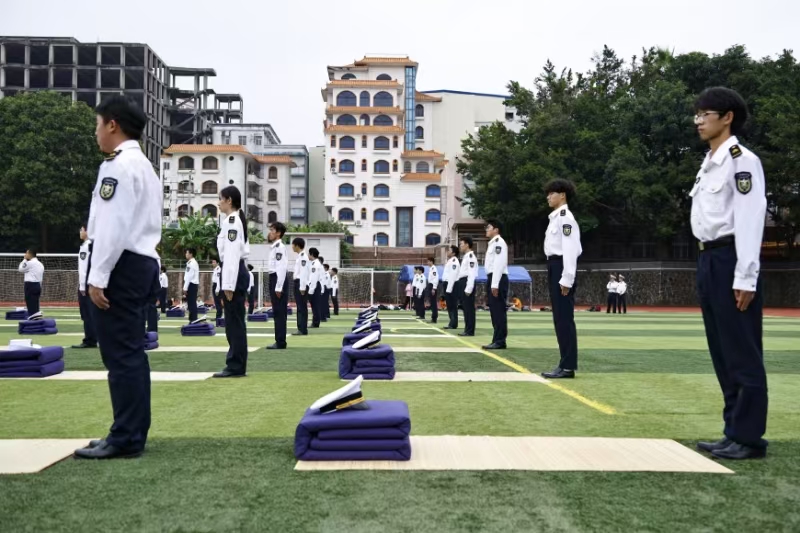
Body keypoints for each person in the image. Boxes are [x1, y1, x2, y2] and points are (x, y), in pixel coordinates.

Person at [73, 95, 161, 460]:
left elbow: (112, 226)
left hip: (122, 265)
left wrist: (98, 276)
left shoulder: (118, 166)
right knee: (130, 352)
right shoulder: (145, 166)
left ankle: (125, 436)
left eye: (98, 124)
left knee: (120, 354)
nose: (96, 132)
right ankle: (130, 431)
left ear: (113, 124)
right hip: (141, 263)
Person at [691, 87, 768, 460]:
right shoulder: (709, 163)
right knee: (722, 351)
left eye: (705, 114)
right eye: (697, 115)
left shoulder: (742, 161)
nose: (698, 121)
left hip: (731, 257)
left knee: (742, 350)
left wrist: (746, 276)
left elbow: (750, 218)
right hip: (708, 258)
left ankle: (749, 437)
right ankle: (733, 430)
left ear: (727, 117)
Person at [541, 179, 582, 379]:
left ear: (562, 195)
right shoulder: (555, 218)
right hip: (554, 266)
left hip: (561, 267)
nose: (548, 197)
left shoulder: (565, 218)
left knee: (564, 318)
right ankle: (564, 363)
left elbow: (571, 249)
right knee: (559, 318)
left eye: (552, 193)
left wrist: (567, 279)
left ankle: (568, 366)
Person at [213, 185, 251, 378]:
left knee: (234, 322)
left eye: (220, 198)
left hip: (233, 273)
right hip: (234, 272)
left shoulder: (232, 221)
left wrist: (228, 284)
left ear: (229, 200)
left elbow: (232, 254)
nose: (218, 203)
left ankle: (235, 365)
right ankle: (237, 364)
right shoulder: (234, 220)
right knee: (234, 322)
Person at [483, 219, 509, 349]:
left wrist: (494, 284)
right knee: (494, 310)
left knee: (498, 311)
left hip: (497, 278)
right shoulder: (492, 243)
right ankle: (496, 339)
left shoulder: (499, 242)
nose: (486, 229)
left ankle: (500, 341)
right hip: (493, 278)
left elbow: (499, 264)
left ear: (496, 230)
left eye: (489, 227)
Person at [72, 224, 98, 348]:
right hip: (93, 282)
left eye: (82, 230)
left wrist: (82, 286)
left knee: (87, 313)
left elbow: (83, 268)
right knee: (91, 313)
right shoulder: (93, 245)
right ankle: (94, 337)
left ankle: (90, 339)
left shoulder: (86, 246)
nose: (80, 232)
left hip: (86, 284)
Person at [266, 221, 288, 350]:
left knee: (279, 312)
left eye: (272, 230)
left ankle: (280, 341)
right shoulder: (274, 247)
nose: (270, 233)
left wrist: (279, 287)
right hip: (274, 278)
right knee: (277, 311)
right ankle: (279, 340)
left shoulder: (279, 247)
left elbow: (281, 267)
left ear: (278, 233)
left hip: (277, 279)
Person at [457, 237, 478, 337]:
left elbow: (471, 273)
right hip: (463, 282)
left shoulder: (470, 257)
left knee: (469, 308)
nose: (460, 246)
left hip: (467, 282)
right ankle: (467, 329)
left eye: (461, 244)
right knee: (465, 307)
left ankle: (470, 330)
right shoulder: (466, 256)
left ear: (467, 245)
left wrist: (469, 288)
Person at [18, 249, 45, 319]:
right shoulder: (40, 264)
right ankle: (37, 317)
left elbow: (20, 269)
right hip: (38, 285)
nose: (25, 255)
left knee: (30, 303)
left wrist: (24, 260)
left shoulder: (30, 263)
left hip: (30, 285)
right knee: (35, 303)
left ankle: (32, 319)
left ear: (30, 254)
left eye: (26, 253)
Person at [292, 237, 310, 335]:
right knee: (299, 307)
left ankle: (303, 329)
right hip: (298, 282)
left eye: (293, 245)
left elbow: (303, 273)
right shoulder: (300, 256)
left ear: (297, 246)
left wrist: (302, 287)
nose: (292, 247)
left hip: (301, 283)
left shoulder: (303, 257)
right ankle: (300, 328)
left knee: (302, 307)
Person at [443, 246, 460, 330]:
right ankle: (452, 322)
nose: (447, 251)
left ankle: (453, 323)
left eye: (449, 250)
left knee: (452, 305)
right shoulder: (450, 261)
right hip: (448, 284)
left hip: (451, 285)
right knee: (449, 305)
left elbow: (453, 276)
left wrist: (449, 289)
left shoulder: (454, 262)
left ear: (453, 253)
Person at [307, 248, 322, 328]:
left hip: (315, 286)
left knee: (315, 305)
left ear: (312, 254)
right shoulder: (313, 263)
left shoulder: (315, 264)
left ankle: (316, 322)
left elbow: (314, 278)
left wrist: (311, 290)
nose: (308, 255)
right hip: (314, 285)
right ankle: (315, 321)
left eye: (309, 254)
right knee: (314, 305)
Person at [183, 248, 199, 322]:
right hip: (192, 284)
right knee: (191, 303)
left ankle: (193, 319)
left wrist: (185, 288)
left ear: (191, 254)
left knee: (191, 304)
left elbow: (189, 276)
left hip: (191, 284)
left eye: (187, 253)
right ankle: (192, 319)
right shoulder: (192, 262)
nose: (186, 254)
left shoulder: (191, 263)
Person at [426, 257, 439, 324]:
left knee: (433, 303)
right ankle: (433, 317)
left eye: (428, 261)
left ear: (431, 261)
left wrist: (434, 288)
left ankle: (434, 318)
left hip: (432, 286)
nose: (427, 263)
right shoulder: (431, 269)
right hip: (430, 285)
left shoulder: (434, 269)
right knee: (432, 302)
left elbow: (435, 279)